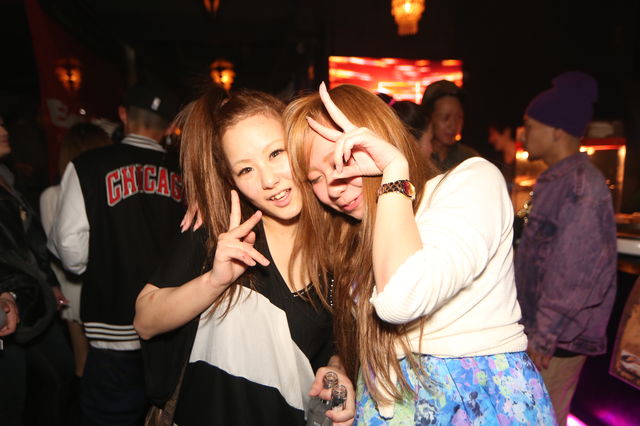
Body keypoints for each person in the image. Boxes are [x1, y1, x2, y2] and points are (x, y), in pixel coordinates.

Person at [284, 83, 556, 424]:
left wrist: (394, 170)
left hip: (474, 407)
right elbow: (365, 341)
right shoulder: (353, 238)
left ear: (377, 138)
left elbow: (402, 300)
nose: (332, 188)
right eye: (316, 179)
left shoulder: (473, 182)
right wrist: (340, 370)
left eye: (341, 160)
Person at [134, 87, 355, 426]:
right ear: (232, 181)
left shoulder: (340, 235)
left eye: (276, 153)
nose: (269, 180)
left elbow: (332, 344)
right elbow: (145, 321)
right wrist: (214, 281)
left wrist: (336, 373)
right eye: (246, 170)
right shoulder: (221, 231)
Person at [47, 82, 184, 426]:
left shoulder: (87, 166)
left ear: (123, 115)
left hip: (113, 330)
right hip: (175, 328)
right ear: (169, 126)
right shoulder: (186, 170)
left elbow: (71, 251)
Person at [514, 71, 617, 425]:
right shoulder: (557, 180)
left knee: (541, 418)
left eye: (530, 125)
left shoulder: (580, 186)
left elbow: (574, 274)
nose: (523, 133)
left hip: (556, 341)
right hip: (543, 334)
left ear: (557, 130)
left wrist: (543, 336)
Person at [0, 118, 74, 426]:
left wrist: (50, 282)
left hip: (31, 297)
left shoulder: (7, 177)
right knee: (12, 402)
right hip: (10, 305)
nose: (5, 131)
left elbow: (31, 241)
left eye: (3, 124)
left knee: (60, 377)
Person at [40, 122, 112, 379]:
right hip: (92, 286)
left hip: (73, 287)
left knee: (84, 359)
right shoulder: (105, 192)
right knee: (102, 360)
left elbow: (55, 247)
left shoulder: (51, 195)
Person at [420, 79, 478, 171]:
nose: (453, 125)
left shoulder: (469, 159)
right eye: (445, 118)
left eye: (459, 117)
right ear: (428, 118)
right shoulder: (417, 158)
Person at [488, 120, 517, 191]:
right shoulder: (497, 162)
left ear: (506, 132)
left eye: (493, 133)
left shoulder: (524, 160)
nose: (490, 139)